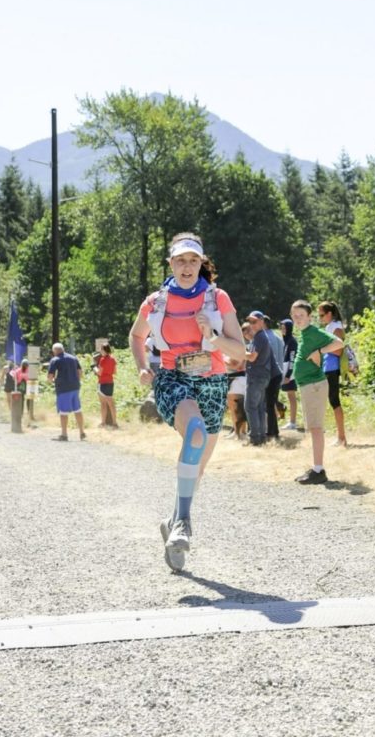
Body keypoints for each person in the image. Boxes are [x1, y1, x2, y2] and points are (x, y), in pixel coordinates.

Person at [129, 233, 245, 572]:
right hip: (172, 378)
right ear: (171, 264)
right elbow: (137, 336)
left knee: (198, 465)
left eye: (193, 260)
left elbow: (239, 351)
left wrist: (212, 336)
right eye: (180, 260)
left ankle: (174, 519)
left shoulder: (217, 298)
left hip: (211, 382)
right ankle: (183, 525)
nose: (187, 266)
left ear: (201, 263)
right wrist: (141, 367)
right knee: (194, 432)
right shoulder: (155, 301)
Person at [290, 299, 344, 485]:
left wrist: (320, 351)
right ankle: (316, 467)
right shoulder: (305, 333)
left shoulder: (313, 332)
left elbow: (338, 343)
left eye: (301, 315)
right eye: (295, 315)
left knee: (316, 428)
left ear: (309, 317)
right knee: (313, 428)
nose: (297, 319)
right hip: (307, 385)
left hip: (314, 385)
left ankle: (319, 470)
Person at [317, 301, 348, 447]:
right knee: (330, 400)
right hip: (327, 367)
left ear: (330, 314)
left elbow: (338, 350)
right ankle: (339, 436)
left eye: (322, 315)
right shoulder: (330, 327)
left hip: (332, 368)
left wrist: (322, 348)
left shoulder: (336, 327)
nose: (320, 318)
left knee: (335, 401)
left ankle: (342, 438)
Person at [244, 311, 272, 445]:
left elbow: (252, 357)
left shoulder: (259, 337)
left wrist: (240, 352)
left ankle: (255, 438)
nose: (251, 325)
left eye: (254, 322)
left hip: (256, 376)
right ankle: (260, 438)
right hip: (262, 375)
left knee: (250, 406)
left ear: (262, 321)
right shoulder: (261, 336)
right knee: (259, 407)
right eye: (250, 322)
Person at [47, 342, 85, 442]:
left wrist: (52, 382)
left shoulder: (55, 360)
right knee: (77, 410)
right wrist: (76, 381)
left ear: (54, 351)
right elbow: (80, 372)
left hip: (63, 388)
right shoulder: (73, 358)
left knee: (63, 412)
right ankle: (82, 432)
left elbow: (50, 377)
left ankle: (64, 435)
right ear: (63, 349)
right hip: (75, 387)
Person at [262, 314, 284, 441]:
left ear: (263, 323)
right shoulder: (278, 337)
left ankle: (271, 432)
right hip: (278, 374)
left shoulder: (264, 337)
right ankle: (273, 430)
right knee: (272, 403)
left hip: (268, 375)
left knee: (268, 405)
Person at [280, 318, 299, 430]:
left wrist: (288, 375)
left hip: (290, 373)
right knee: (289, 396)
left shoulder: (292, 341)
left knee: (291, 396)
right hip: (285, 372)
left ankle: (293, 422)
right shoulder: (285, 341)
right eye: (281, 328)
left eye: (284, 328)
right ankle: (290, 421)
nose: (282, 330)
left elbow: (292, 359)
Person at [94, 342, 118, 428]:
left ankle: (103, 423)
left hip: (102, 383)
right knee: (111, 404)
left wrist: (95, 368)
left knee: (103, 404)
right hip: (110, 382)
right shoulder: (113, 359)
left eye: (101, 349)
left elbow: (99, 373)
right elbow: (115, 372)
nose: (100, 351)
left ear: (104, 350)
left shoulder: (102, 359)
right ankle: (115, 423)